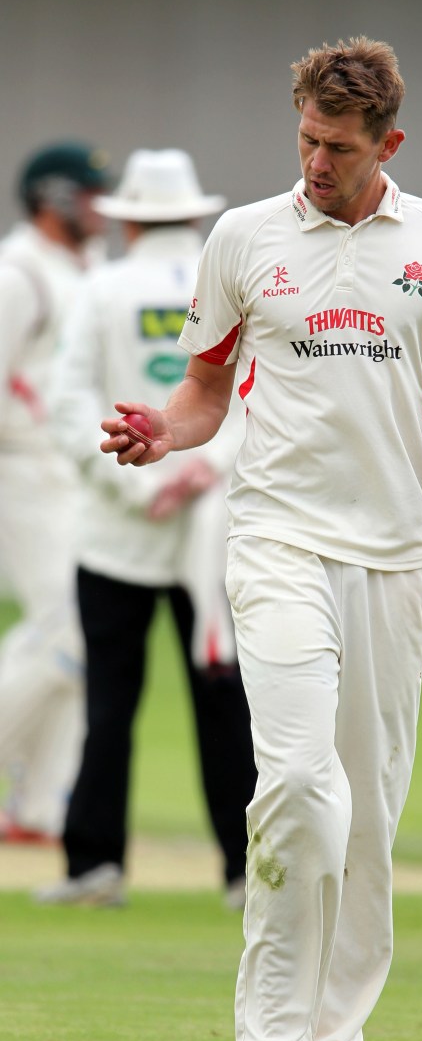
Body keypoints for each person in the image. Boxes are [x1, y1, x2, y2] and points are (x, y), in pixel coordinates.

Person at [100, 39, 422, 1041]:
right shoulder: (244, 238)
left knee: (369, 817)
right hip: (275, 540)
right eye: (303, 140)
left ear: (389, 143)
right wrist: (160, 430)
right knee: (296, 784)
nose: (315, 163)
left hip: (391, 559)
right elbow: (202, 392)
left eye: (337, 148)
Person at [37, 149, 257, 909]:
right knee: (225, 703)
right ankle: (246, 870)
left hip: (117, 535)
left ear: (128, 220)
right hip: (211, 532)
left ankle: (95, 866)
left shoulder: (101, 287)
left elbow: (68, 409)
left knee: (109, 707)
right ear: (195, 215)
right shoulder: (225, 279)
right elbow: (257, 394)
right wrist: (207, 468)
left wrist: (138, 489)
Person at [0, 141, 111, 842]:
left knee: (82, 636)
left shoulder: (86, 271)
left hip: (74, 473)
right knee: (63, 628)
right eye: (92, 192)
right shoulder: (17, 273)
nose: (103, 206)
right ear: (55, 196)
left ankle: (39, 806)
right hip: (23, 468)